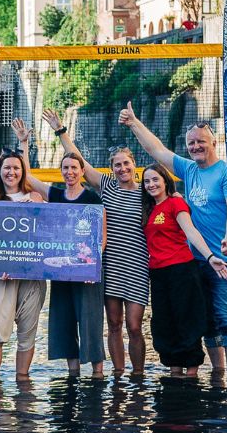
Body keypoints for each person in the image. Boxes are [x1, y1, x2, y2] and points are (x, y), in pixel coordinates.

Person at [119, 102, 227, 377]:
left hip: (224, 256)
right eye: (191, 143)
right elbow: (157, 150)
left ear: (213, 142)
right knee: (206, 321)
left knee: (226, 317)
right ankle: (217, 372)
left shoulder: (224, 172)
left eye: (201, 142)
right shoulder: (189, 170)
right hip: (194, 259)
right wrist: (134, 123)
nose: (196, 146)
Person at [42, 108, 150, 376]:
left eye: (126, 163)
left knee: (135, 326)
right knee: (114, 323)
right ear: (112, 168)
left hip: (137, 265)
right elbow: (79, 161)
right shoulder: (106, 187)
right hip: (110, 265)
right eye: (117, 164)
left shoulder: (147, 192)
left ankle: (138, 375)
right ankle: (118, 374)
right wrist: (60, 131)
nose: (122, 168)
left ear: (133, 164)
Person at [11, 118, 106, 377]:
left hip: (87, 272)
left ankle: (98, 374)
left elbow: (102, 235)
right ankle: (73, 373)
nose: (70, 172)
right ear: (62, 171)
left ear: (81, 170)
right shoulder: (54, 195)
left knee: (90, 322)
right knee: (63, 321)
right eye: (66, 168)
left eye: (74, 167)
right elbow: (27, 177)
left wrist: (92, 269)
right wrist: (23, 142)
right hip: (62, 271)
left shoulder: (92, 198)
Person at [140, 164, 227, 376]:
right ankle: (174, 371)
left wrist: (209, 257)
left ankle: (192, 374)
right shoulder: (149, 208)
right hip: (158, 273)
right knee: (164, 321)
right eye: (147, 181)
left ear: (165, 181)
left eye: (155, 180)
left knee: (186, 319)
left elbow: (190, 231)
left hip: (181, 269)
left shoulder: (175, 203)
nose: (151, 184)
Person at [0, 149, 47, 382]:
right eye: (7, 167)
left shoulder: (37, 199)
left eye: (16, 168)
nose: (12, 172)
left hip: (32, 275)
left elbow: (52, 235)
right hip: (0, 276)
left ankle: (23, 382)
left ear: (22, 171)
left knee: (28, 332)